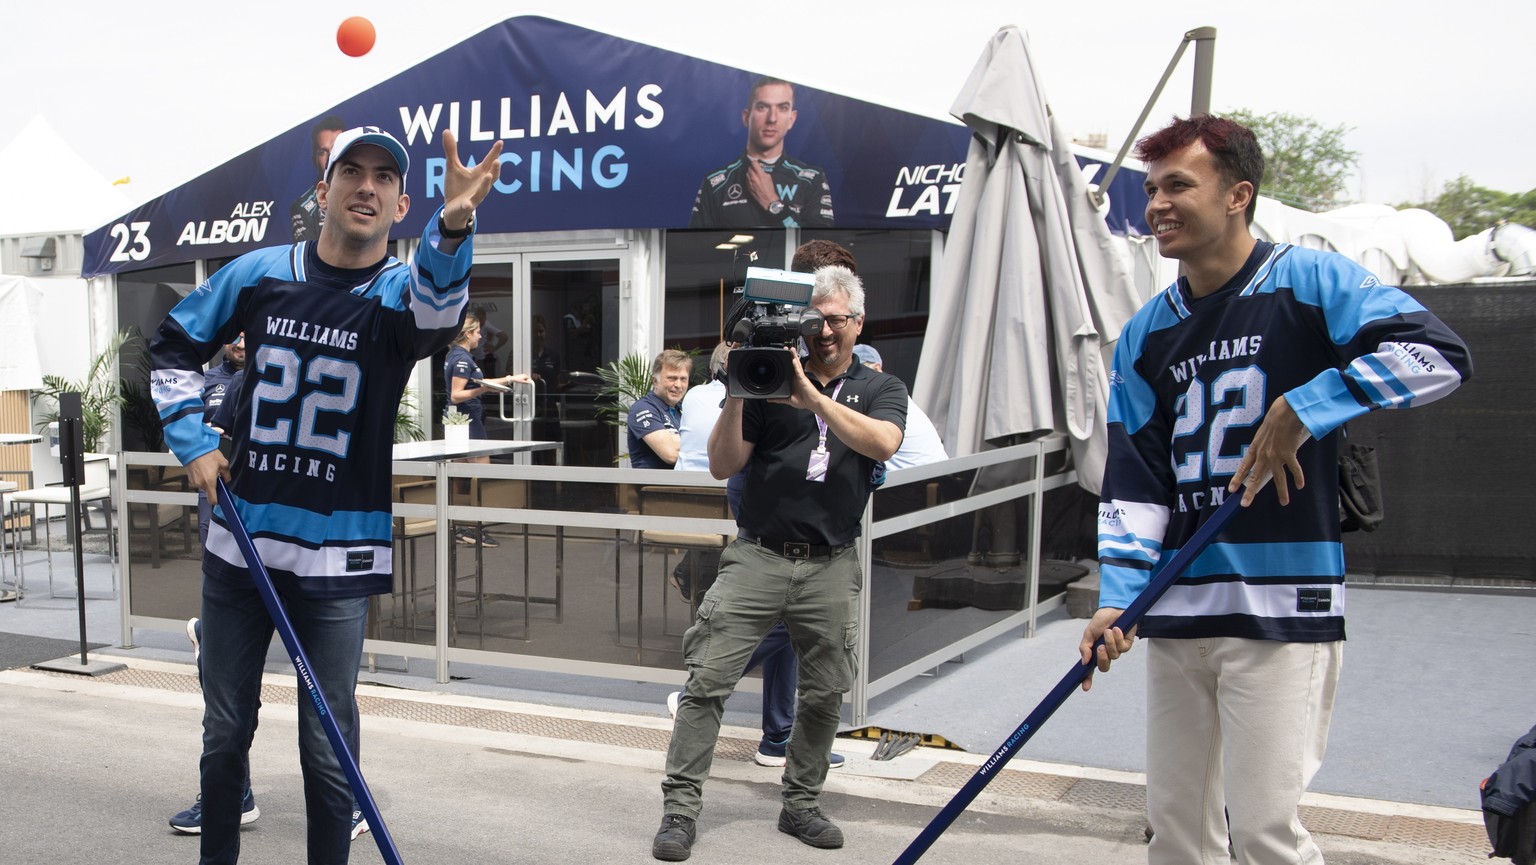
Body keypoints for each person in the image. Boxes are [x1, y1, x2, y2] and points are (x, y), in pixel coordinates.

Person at [1077, 114, 1471, 865]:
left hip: (1283, 609)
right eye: (1152, 187)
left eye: (1178, 185)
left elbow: (1441, 355)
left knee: (1265, 834)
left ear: (1237, 195)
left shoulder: (1314, 282)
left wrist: (1311, 404)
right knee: (1177, 830)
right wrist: (1117, 598)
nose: (1157, 203)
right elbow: (1135, 479)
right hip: (1177, 609)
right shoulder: (1144, 334)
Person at [149, 124, 506, 865]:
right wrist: (194, 441)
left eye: (384, 177)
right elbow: (172, 345)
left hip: (336, 557)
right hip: (240, 543)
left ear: (402, 202)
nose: (366, 185)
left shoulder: (397, 294)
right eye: (353, 172)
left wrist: (456, 220)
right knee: (223, 734)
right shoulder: (258, 272)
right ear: (324, 191)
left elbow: (439, 310)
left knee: (328, 743)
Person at [651, 265, 906, 861]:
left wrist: (810, 398)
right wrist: (741, 392)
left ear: (858, 323)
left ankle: (801, 805)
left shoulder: (879, 388)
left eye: (836, 321)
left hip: (832, 564)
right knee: (708, 682)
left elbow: (883, 443)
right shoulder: (766, 383)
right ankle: (680, 812)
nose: (823, 334)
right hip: (758, 555)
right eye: (814, 322)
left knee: (823, 694)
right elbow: (721, 465)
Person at [688, 76, 834, 229]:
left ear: (792, 119)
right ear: (746, 117)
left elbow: (820, 247)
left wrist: (773, 204)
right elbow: (697, 247)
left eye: (782, 108)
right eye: (763, 107)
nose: (772, 118)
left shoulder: (811, 179)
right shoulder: (716, 183)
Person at [444, 313, 531, 546]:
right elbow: (456, 394)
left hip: (462, 421)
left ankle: (461, 527)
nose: (481, 337)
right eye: (478, 332)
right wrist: (483, 390)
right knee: (481, 475)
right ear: (468, 334)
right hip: (468, 420)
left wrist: (509, 378)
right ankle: (472, 527)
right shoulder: (462, 360)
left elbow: (474, 385)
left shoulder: (458, 356)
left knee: (459, 477)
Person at [850, 343, 947, 470]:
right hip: (935, 475)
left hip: (916, 482)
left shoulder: (879, 394)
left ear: (877, 368)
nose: (853, 380)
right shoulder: (892, 394)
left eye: (859, 371)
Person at [628, 349, 691, 469]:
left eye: (683, 379)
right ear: (655, 381)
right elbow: (671, 455)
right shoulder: (642, 408)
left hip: (684, 483)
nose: (678, 385)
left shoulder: (684, 409)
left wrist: (676, 440)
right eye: (671, 378)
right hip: (654, 485)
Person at [290, 115, 346, 242]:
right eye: (323, 152)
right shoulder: (303, 208)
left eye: (337, 149)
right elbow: (308, 259)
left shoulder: (365, 194)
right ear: (314, 159)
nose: (331, 156)